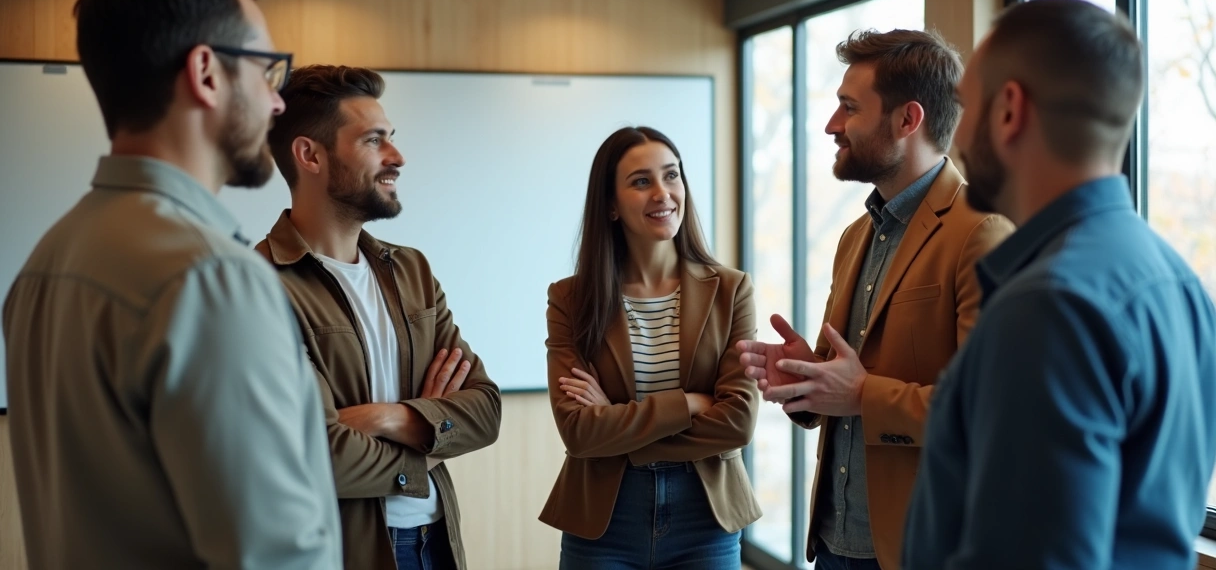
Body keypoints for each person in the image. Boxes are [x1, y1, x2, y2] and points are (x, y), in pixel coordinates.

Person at [2, 0, 341, 569]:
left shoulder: (45, 262)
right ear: (207, 73)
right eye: (268, 71)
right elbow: (273, 556)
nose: (278, 103)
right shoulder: (212, 279)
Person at [903, 0, 1216, 570]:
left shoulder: (1048, 307)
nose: (957, 137)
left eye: (964, 105)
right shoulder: (1180, 284)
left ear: (1009, 111)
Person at [737, 29, 1013, 569]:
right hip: (835, 545)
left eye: (848, 108)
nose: (831, 126)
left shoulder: (982, 233)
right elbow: (844, 386)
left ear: (908, 120)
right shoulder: (855, 237)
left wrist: (863, 395)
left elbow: (992, 411)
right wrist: (805, 377)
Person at [258, 64, 502, 570]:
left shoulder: (410, 269)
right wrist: (430, 434)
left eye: (391, 138)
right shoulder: (259, 285)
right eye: (374, 141)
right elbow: (319, 455)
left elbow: (484, 410)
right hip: (341, 553)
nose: (397, 157)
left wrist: (388, 416)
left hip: (436, 544)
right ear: (310, 155)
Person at [539, 126, 760, 569]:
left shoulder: (731, 290)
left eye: (671, 176)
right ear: (611, 206)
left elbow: (736, 421)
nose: (663, 193)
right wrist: (691, 403)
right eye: (641, 182)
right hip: (604, 522)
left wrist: (618, 428)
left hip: (706, 517)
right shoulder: (571, 299)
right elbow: (580, 433)